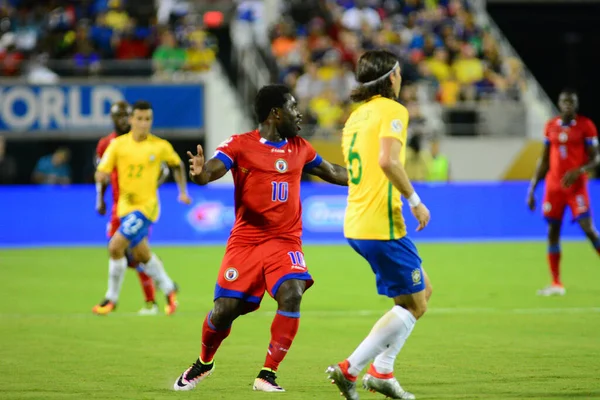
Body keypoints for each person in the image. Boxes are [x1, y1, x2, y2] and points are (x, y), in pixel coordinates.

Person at [173, 84, 348, 393]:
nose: (299, 114)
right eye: (293, 107)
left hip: (285, 241)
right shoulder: (240, 145)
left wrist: (367, 176)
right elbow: (213, 169)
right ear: (275, 113)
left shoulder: (301, 147)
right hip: (247, 241)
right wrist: (200, 175)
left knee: (293, 291)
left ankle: (268, 373)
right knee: (225, 310)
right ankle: (204, 362)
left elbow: (332, 171)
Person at [326, 50, 432, 400]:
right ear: (391, 77)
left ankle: (382, 372)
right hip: (380, 222)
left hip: (356, 220)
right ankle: (351, 369)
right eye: (399, 73)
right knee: (414, 304)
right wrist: (415, 201)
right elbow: (387, 160)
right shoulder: (393, 110)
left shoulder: (355, 117)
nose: (401, 79)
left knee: (422, 291)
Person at [93, 100, 192, 315]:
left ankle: (111, 299)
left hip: (146, 208)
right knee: (141, 254)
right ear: (131, 120)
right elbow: (102, 170)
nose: (144, 124)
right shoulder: (118, 145)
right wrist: (100, 178)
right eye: (139, 119)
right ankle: (169, 288)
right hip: (124, 207)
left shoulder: (160, 146)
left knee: (115, 246)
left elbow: (177, 165)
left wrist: (182, 192)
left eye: (148, 119)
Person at [527, 89, 600, 296]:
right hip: (554, 187)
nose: (568, 105)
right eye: (564, 102)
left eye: (572, 102)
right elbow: (544, 159)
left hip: (576, 186)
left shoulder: (586, 126)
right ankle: (556, 283)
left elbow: (596, 158)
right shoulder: (551, 126)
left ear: (576, 105)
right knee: (552, 232)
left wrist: (580, 170)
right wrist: (532, 188)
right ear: (559, 104)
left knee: (588, 228)